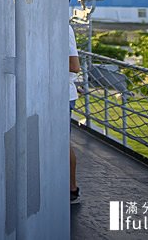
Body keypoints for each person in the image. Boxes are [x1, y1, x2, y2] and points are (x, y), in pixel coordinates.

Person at [68, 23, 81, 204]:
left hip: (63, 95)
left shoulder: (64, 27)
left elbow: (74, 65)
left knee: (62, 144)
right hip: (50, 94)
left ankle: (72, 188)